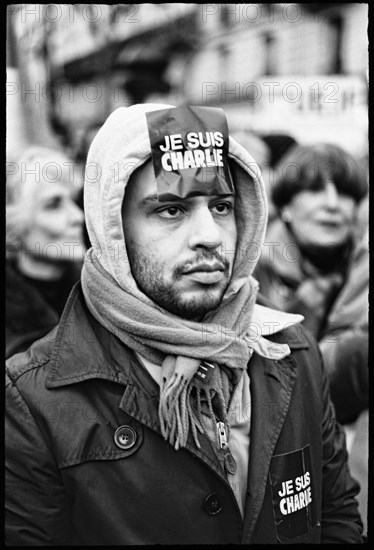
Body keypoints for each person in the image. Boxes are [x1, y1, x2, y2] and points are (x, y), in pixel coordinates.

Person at [5, 104, 364, 545]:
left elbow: (338, 516)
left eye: (221, 206)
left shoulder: (291, 352)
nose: (209, 235)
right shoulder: (33, 401)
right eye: (171, 210)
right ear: (112, 227)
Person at [6, 146, 86, 359]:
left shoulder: (99, 291)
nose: (77, 217)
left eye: (75, 201)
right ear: (13, 225)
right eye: (54, 205)